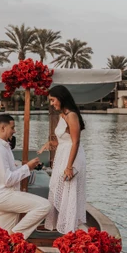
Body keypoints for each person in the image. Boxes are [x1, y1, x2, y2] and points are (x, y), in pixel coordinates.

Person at [0, 114, 52, 239]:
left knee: (6, 242)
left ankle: (9, 240)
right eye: (12, 127)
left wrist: (28, 166)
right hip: (2, 196)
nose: (14, 131)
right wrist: (27, 168)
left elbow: (11, 171)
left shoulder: (4, 147)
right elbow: (8, 180)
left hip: (3, 195)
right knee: (44, 206)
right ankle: (14, 235)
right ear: (3, 128)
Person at [38, 85, 86, 234]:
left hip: (72, 157)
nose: (52, 104)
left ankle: (69, 226)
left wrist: (69, 166)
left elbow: (75, 141)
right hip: (62, 154)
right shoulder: (62, 115)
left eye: (53, 100)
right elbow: (64, 140)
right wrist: (51, 143)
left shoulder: (72, 115)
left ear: (61, 98)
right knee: (58, 186)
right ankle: (56, 223)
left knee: (68, 188)